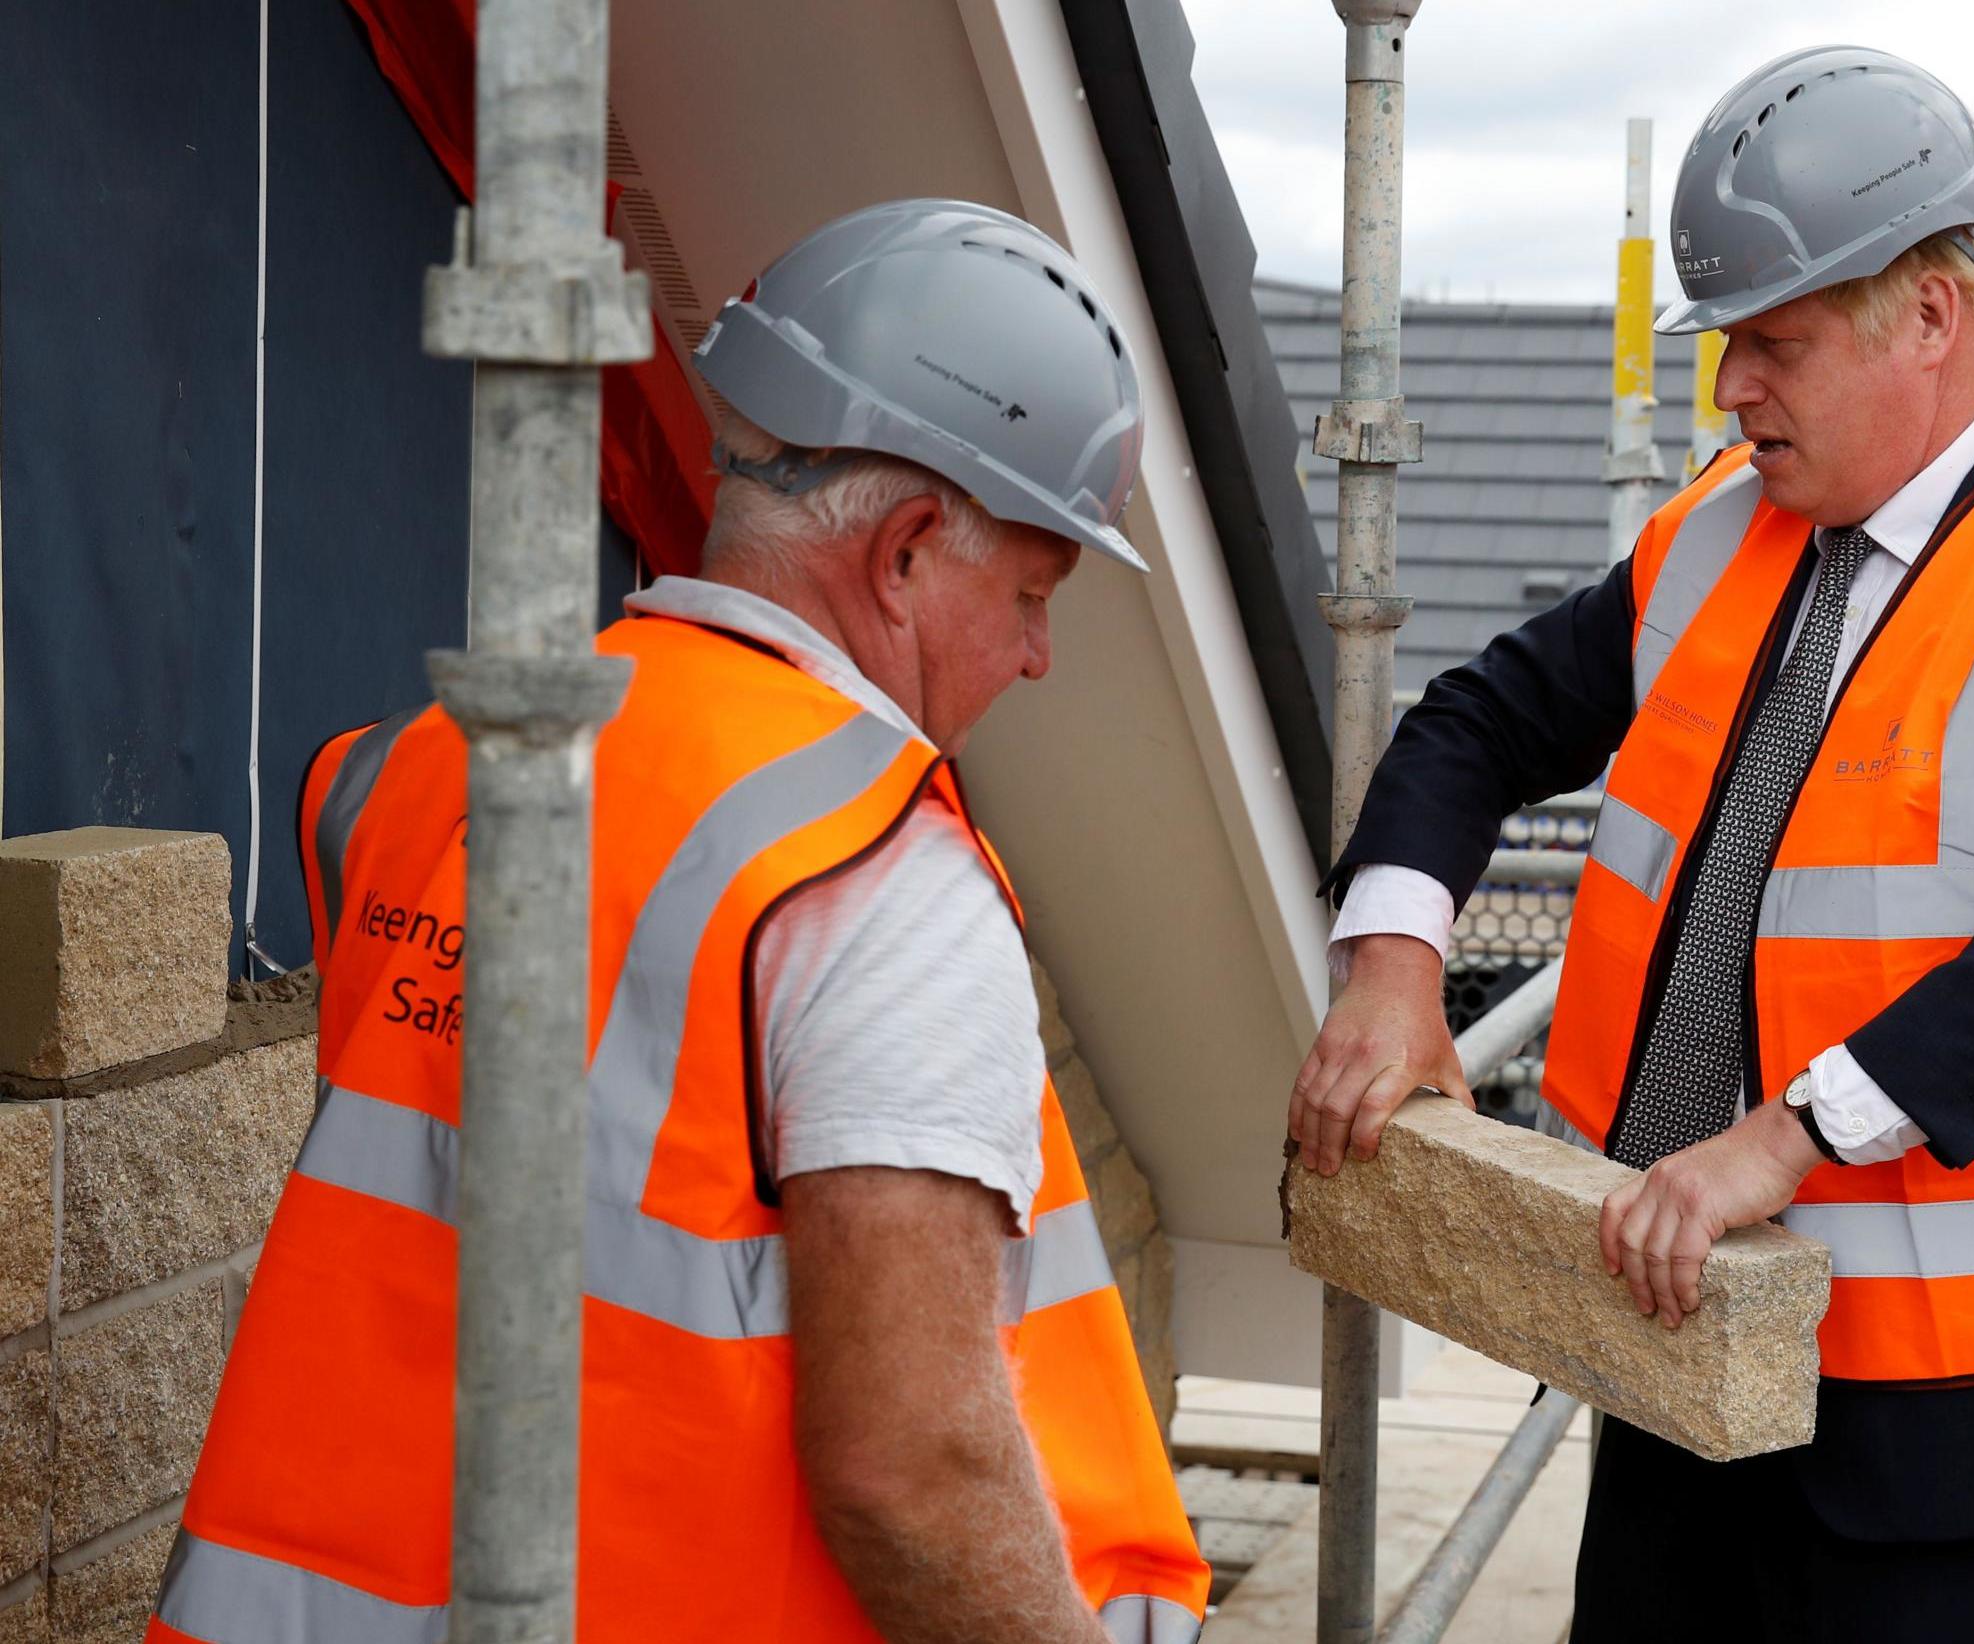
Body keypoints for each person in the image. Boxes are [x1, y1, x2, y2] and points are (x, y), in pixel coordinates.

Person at [1288, 46, 1974, 1643]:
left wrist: (1776, 1140)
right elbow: (1475, 723)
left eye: (1770, 345)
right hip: (1678, 1356)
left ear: (1926, 317)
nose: (1728, 392)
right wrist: (1390, 964)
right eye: (1722, 346)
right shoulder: (1722, 526)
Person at [150, 200, 1209, 1644]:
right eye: (1029, 595)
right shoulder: (871, 873)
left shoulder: (423, 767)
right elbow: (915, 1472)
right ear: (902, 550)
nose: (1033, 656)